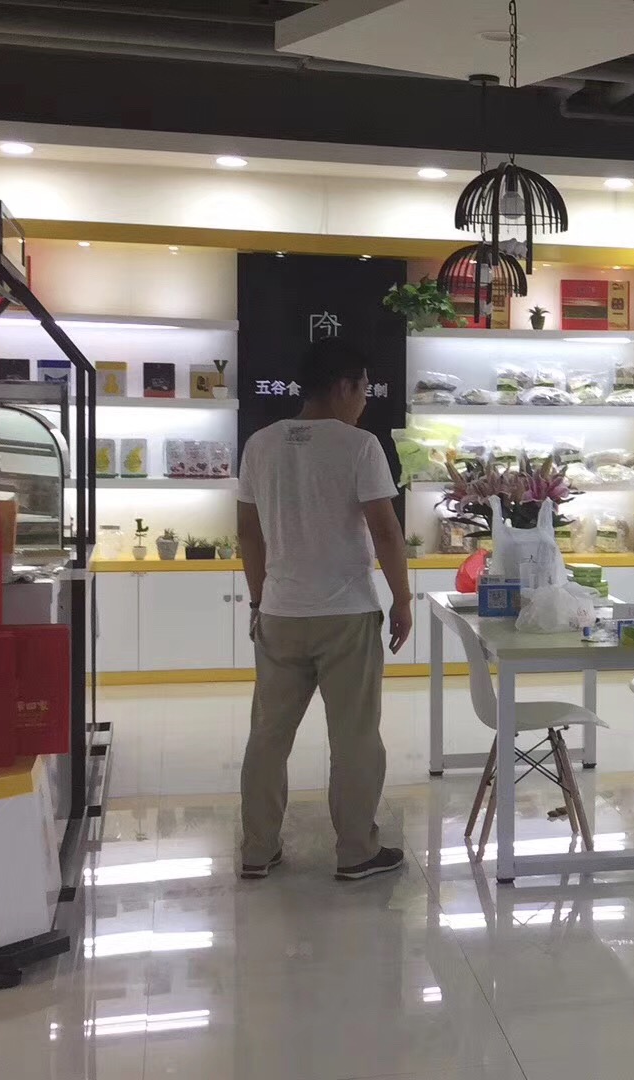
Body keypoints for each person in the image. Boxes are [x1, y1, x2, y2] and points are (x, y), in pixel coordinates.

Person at [236, 337, 412, 882]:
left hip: (281, 613)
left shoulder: (260, 444)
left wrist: (259, 598)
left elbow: (248, 532)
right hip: (346, 614)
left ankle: (257, 849)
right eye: (362, 389)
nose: (364, 401)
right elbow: (385, 531)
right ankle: (355, 850)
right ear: (343, 386)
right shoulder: (359, 446)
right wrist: (403, 598)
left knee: (268, 736)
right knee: (355, 737)